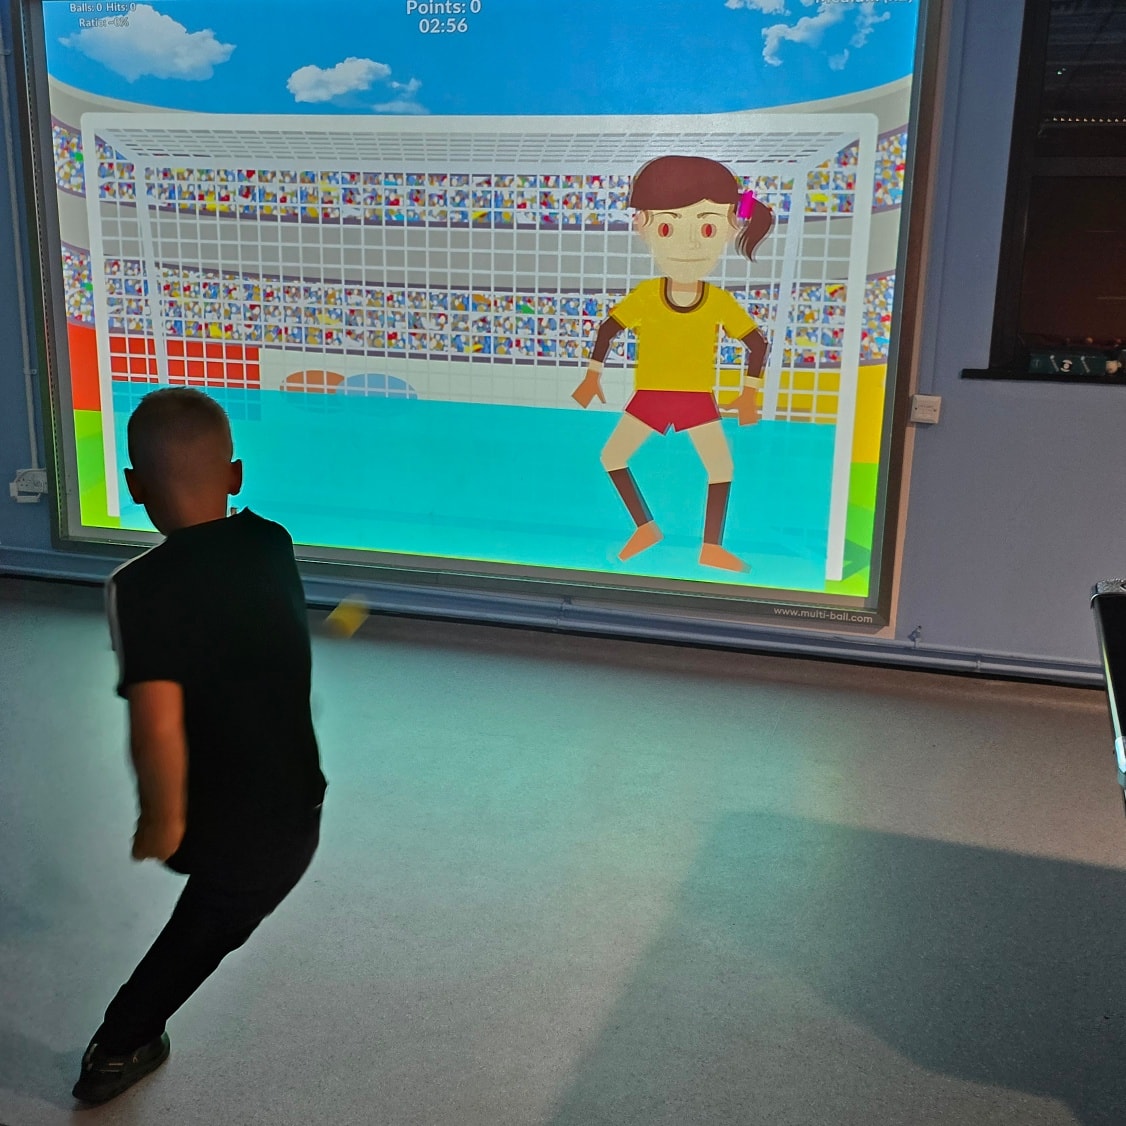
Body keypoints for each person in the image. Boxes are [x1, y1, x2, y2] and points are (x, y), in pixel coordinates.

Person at [73, 387, 327, 1105]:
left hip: (210, 808)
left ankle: (121, 1047)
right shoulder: (272, 541)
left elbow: (155, 723)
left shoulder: (137, 587)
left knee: (211, 910)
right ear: (235, 475)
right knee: (215, 922)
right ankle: (118, 1048)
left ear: (134, 487)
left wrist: (162, 821)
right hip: (284, 812)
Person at [572, 155, 774, 572]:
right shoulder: (648, 296)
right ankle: (645, 528)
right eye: (668, 227)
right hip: (652, 395)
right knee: (612, 457)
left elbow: (757, 344)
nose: (691, 245)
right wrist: (592, 376)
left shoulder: (717, 301)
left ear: (729, 227)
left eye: (707, 228)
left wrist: (749, 393)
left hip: (695, 397)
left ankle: (711, 548)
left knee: (720, 467)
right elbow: (608, 330)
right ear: (643, 226)